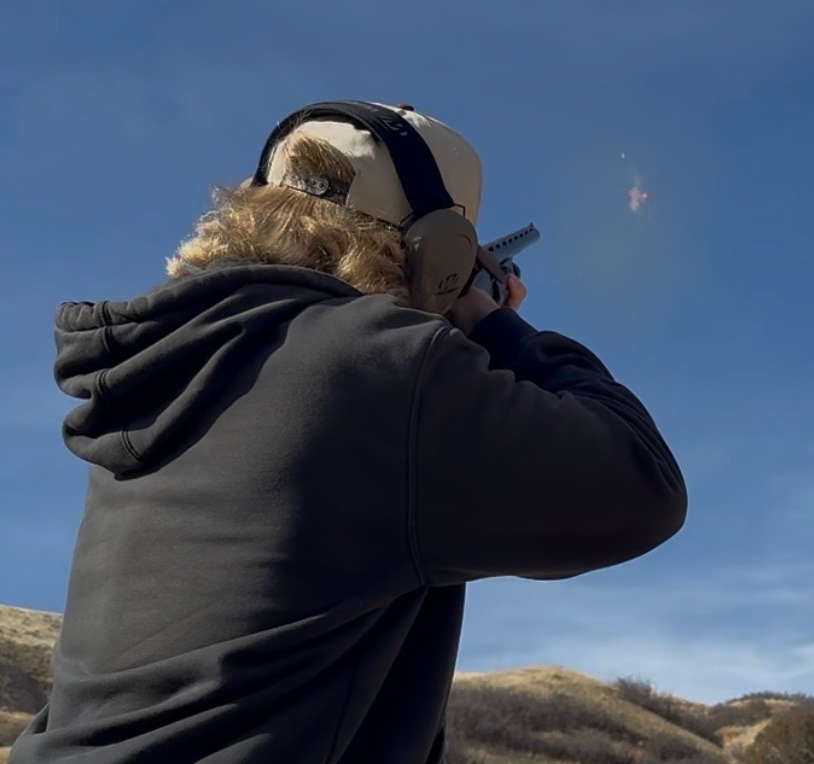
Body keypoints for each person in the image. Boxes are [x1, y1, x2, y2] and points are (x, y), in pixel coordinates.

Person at [11, 100, 688, 764]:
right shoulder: (379, 366)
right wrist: (492, 322)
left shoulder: (158, 375)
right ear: (442, 254)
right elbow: (639, 484)